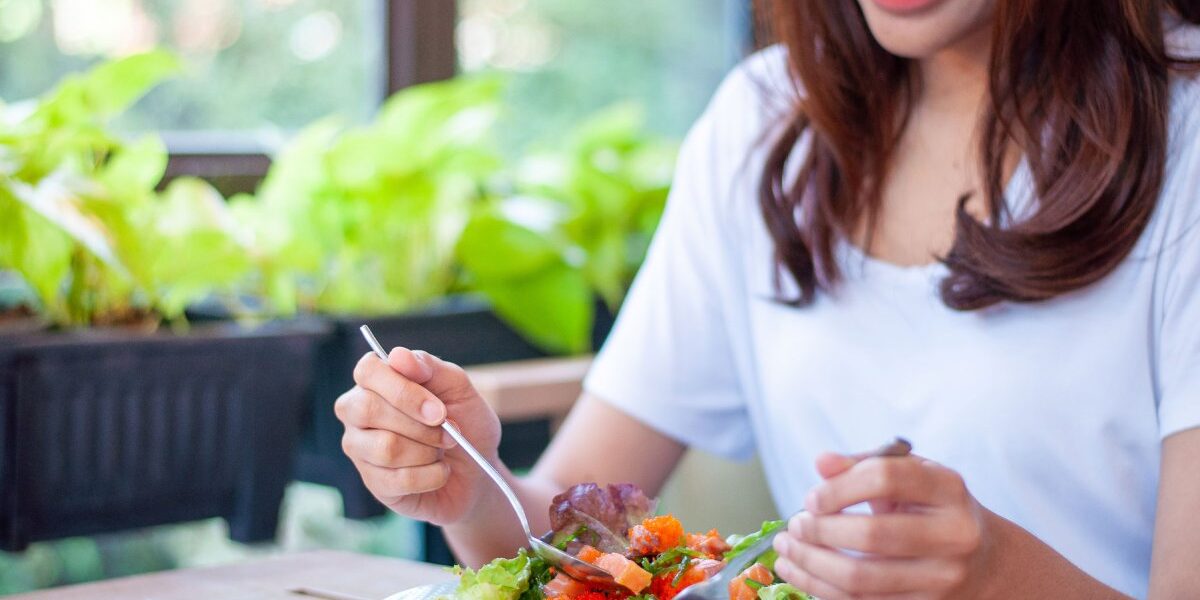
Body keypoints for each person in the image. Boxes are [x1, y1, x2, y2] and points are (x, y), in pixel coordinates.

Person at [335, 0, 1200, 597]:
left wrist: (1001, 578)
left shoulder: (1187, 133)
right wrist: (472, 486)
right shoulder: (766, 123)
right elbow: (569, 542)